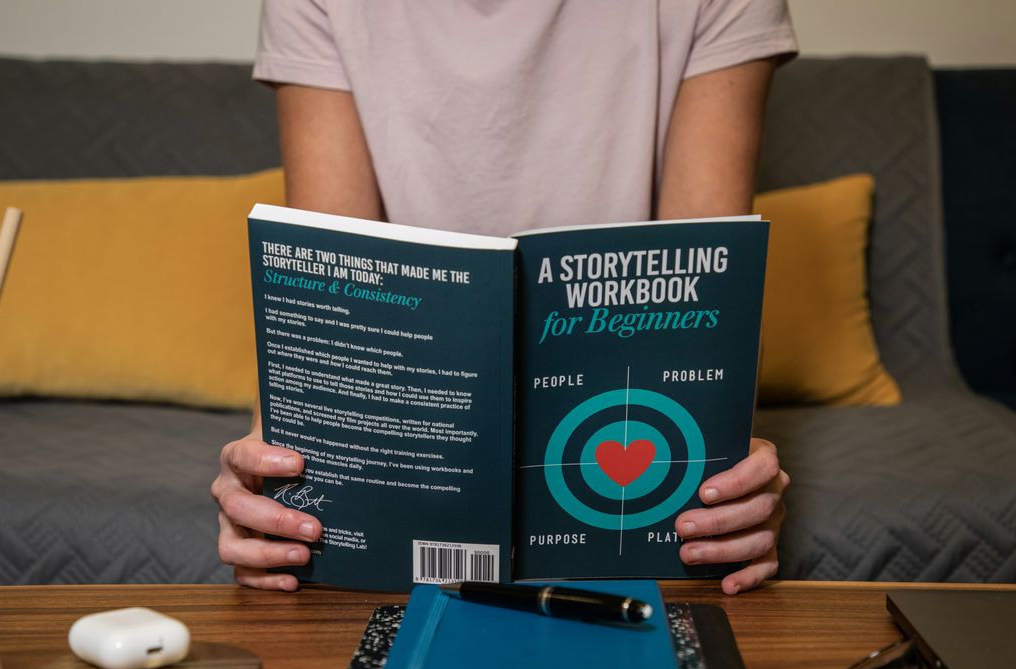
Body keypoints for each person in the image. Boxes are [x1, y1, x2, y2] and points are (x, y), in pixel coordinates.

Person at [213, 0, 797, 594]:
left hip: (622, 431)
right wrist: (274, 475)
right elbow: (332, 288)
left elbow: (705, 285)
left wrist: (731, 481)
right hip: (411, 419)